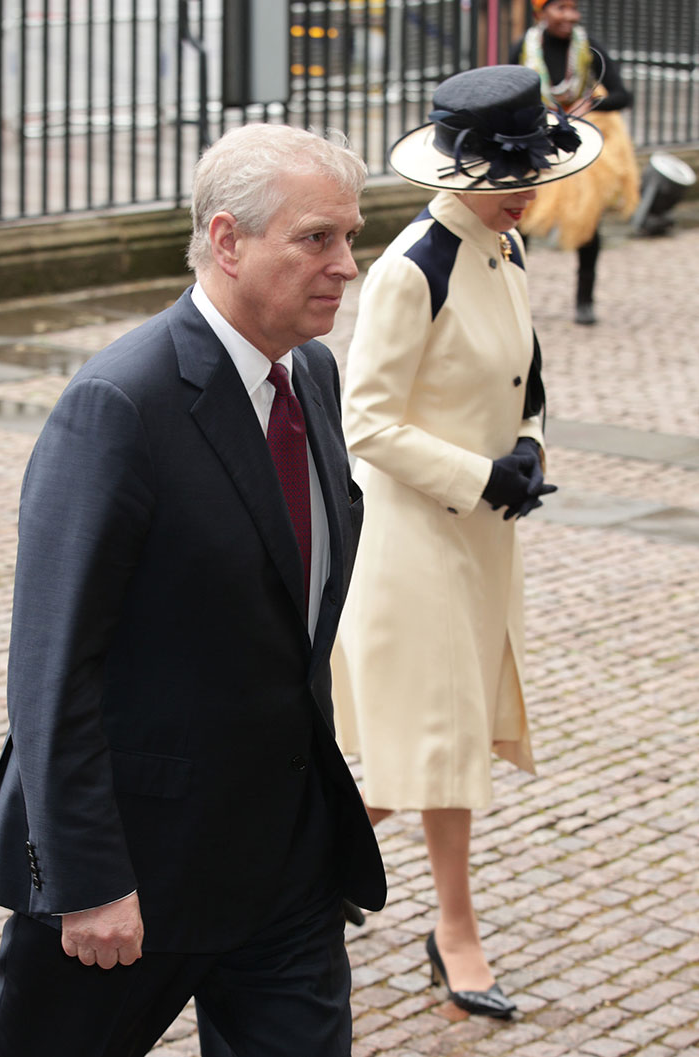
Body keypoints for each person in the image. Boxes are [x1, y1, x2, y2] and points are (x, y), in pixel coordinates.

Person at [0, 122, 386, 1057]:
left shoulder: (315, 375)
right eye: (317, 238)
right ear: (226, 240)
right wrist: (85, 879)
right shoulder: (120, 404)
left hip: (287, 862)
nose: (348, 264)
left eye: (350, 236)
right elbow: (53, 668)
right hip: (139, 869)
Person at [333, 65, 602, 1018]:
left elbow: (524, 384)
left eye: (533, 172)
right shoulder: (415, 265)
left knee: (442, 742)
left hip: (483, 537)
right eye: (507, 175)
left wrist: (526, 451)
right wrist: (480, 474)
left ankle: (307, 873)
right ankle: (450, 930)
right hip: (412, 540)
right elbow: (363, 423)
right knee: (436, 739)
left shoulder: (506, 248)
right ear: (463, 167)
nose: (526, 193)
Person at [510, 0, 639, 324]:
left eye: (573, 8)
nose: (569, 16)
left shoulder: (588, 48)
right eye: (560, 8)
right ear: (541, 13)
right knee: (520, 224)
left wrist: (589, 104)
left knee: (586, 223)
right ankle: (512, 298)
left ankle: (585, 301)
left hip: (577, 146)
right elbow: (507, 92)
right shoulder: (524, 49)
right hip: (537, 143)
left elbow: (624, 95)